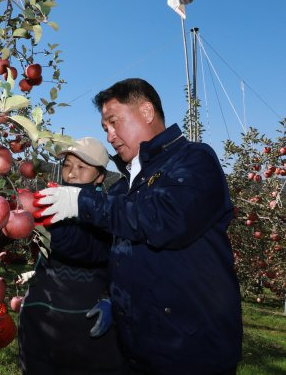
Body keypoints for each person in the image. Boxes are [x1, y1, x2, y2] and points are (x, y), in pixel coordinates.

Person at [35, 78, 242, 375]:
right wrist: (40, 223)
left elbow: (167, 220)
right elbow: (97, 249)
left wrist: (82, 203)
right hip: (138, 348)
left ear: (146, 111)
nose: (110, 135)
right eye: (105, 128)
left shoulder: (194, 159)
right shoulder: (124, 187)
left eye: (113, 122)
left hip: (192, 352)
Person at [19, 137, 123, 374]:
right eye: (67, 165)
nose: (72, 174)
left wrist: (41, 222)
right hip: (40, 325)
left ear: (100, 177)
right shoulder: (50, 200)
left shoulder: (108, 212)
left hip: (84, 328)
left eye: (82, 167)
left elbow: (85, 249)